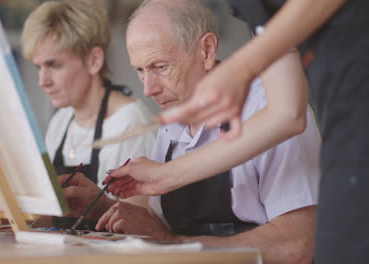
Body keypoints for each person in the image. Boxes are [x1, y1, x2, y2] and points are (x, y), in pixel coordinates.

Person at [108, 0, 369, 263]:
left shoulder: (258, 99)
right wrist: (158, 181)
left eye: (161, 67)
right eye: (140, 71)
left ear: (207, 50)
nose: (148, 90)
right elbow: (285, 113)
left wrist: (241, 68)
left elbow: (298, 245)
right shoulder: (174, 122)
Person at [21, 0, 155, 223]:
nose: (42, 81)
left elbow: (139, 228)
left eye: (54, 65)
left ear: (94, 60)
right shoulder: (61, 122)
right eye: (38, 67)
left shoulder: (132, 125)